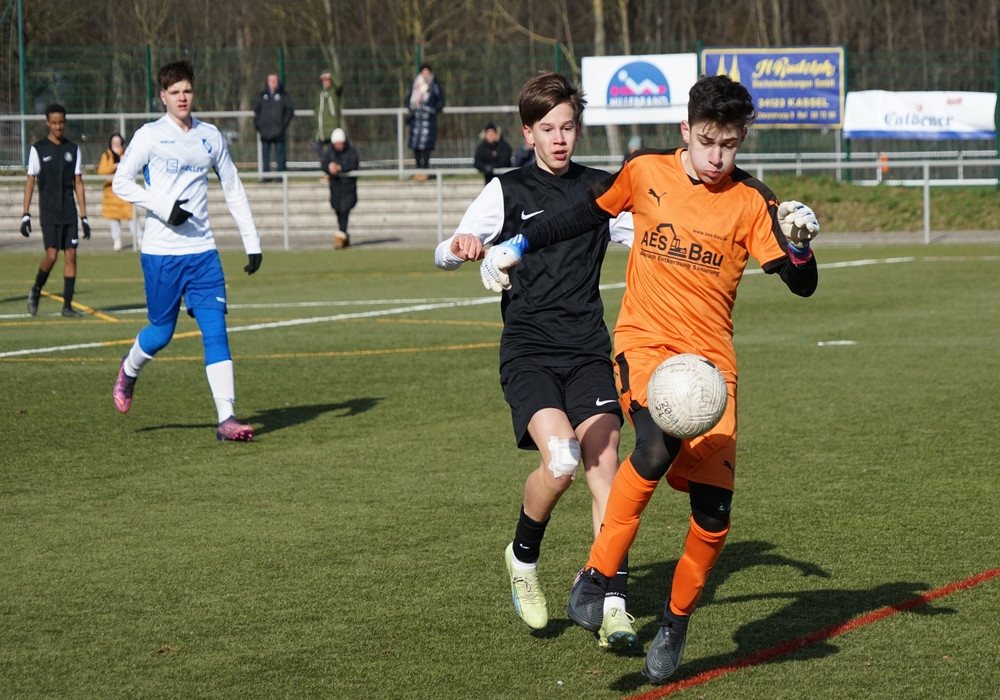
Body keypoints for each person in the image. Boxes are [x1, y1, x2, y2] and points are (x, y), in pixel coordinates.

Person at [480, 74, 820, 683]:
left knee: (715, 516)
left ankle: (676, 621)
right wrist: (519, 243)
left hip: (710, 369)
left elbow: (802, 285)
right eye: (707, 141)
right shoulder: (645, 172)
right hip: (646, 346)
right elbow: (577, 216)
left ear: (742, 140)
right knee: (653, 447)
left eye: (730, 145)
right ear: (686, 130)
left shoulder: (751, 201)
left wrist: (799, 247)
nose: (717, 157)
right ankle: (596, 576)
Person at [435, 72, 638, 648]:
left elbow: (650, 232)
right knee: (563, 459)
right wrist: (459, 247)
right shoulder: (507, 190)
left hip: (588, 350)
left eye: (568, 127)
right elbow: (444, 251)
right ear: (528, 133)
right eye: (547, 129)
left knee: (606, 469)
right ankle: (523, 557)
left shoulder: (602, 190)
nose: (559, 139)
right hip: (529, 352)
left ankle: (612, 600)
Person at [111, 58, 263, 442]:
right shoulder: (149, 135)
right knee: (161, 333)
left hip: (203, 253)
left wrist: (252, 242)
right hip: (161, 253)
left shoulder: (211, 136)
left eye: (187, 90)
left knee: (216, 330)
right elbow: (120, 183)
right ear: (162, 96)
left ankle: (227, 419)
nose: (182, 97)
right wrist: (164, 207)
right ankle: (129, 370)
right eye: (174, 92)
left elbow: (233, 187)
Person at [21, 103, 90, 317]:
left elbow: (78, 182)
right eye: (54, 123)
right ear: (47, 123)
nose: (58, 127)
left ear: (65, 123)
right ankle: (36, 289)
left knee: (71, 254)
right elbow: (30, 181)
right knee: (51, 256)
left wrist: (84, 217)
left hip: (69, 212)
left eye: (61, 123)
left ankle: (67, 306)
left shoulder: (73, 149)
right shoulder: (38, 149)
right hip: (49, 212)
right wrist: (25, 214)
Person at [321, 127, 359, 249]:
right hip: (335, 187)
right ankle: (344, 236)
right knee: (337, 209)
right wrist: (329, 167)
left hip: (348, 187)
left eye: (340, 143)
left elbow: (354, 164)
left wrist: (340, 167)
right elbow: (323, 163)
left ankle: (340, 236)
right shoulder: (329, 151)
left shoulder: (351, 151)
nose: (338, 146)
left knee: (344, 209)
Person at [97, 133, 135, 251]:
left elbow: (132, 168)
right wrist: (114, 166)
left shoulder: (127, 154)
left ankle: (139, 239)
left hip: (125, 190)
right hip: (111, 192)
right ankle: (117, 241)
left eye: (118, 142)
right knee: (114, 219)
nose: (116, 144)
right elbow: (101, 171)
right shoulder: (106, 155)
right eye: (114, 142)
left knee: (132, 216)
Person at [253, 71, 295, 179]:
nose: (273, 82)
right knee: (265, 155)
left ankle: (280, 177)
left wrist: (283, 125)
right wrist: (258, 125)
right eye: (271, 80)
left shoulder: (284, 95)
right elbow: (257, 111)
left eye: (275, 80)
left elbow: (290, 110)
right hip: (265, 130)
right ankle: (265, 177)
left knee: (279, 154)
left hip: (278, 130)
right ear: (268, 82)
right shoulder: (262, 95)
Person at [406, 63, 444, 181]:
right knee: (416, 146)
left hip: (428, 121)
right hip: (416, 120)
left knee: (426, 147)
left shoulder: (434, 86)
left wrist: (432, 110)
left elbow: (441, 101)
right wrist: (411, 107)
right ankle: (418, 170)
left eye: (428, 71)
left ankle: (425, 170)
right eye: (424, 71)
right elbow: (408, 99)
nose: (426, 74)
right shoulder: (415, 84)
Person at [312, 70, 343, 160]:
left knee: (333, 150)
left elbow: (339, 85)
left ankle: (332, 164)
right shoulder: (320, 93)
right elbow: (317, 108)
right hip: (320, 129)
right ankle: (328, 163)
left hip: (332, 128)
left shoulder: (335, 92)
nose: (324, 82)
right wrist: (315, 118)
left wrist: (331, 75)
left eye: (327, 79)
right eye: (323, 80)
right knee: (316, 145)